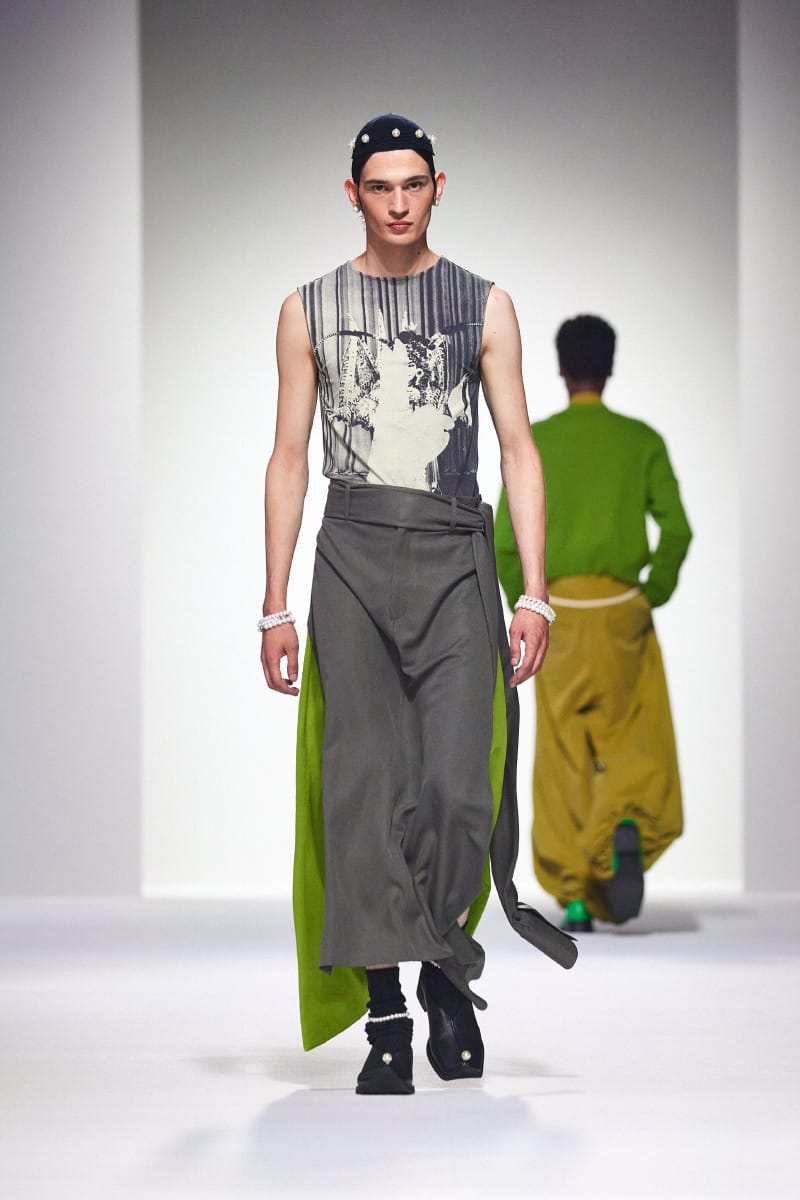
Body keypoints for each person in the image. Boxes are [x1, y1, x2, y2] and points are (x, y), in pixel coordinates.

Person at [260, 114, 577, 1096]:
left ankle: (443, 963)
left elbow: (518, 449)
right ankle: (388, 1010)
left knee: (455, 783)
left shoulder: (484, 304)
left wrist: (535, 593)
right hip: (351, 554)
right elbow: (288, 456)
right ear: (352, 193)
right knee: (360, 789)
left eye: (412, 184)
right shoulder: (307, 308)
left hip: (452, 553)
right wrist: (273, 606)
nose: (397, 203)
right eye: (379, 186)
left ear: (438, 186)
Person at [494, 315, 692, 932]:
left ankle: (574, 892)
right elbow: (678, 529)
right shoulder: (641, 441)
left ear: (560, 367)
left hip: (558, 611)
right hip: (621, 610)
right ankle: (623, 824)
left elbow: (504, 540)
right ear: (610, 365)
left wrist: (527, 602)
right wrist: (650, 592)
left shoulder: (538, 442)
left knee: (562, 747)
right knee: (630, 735)